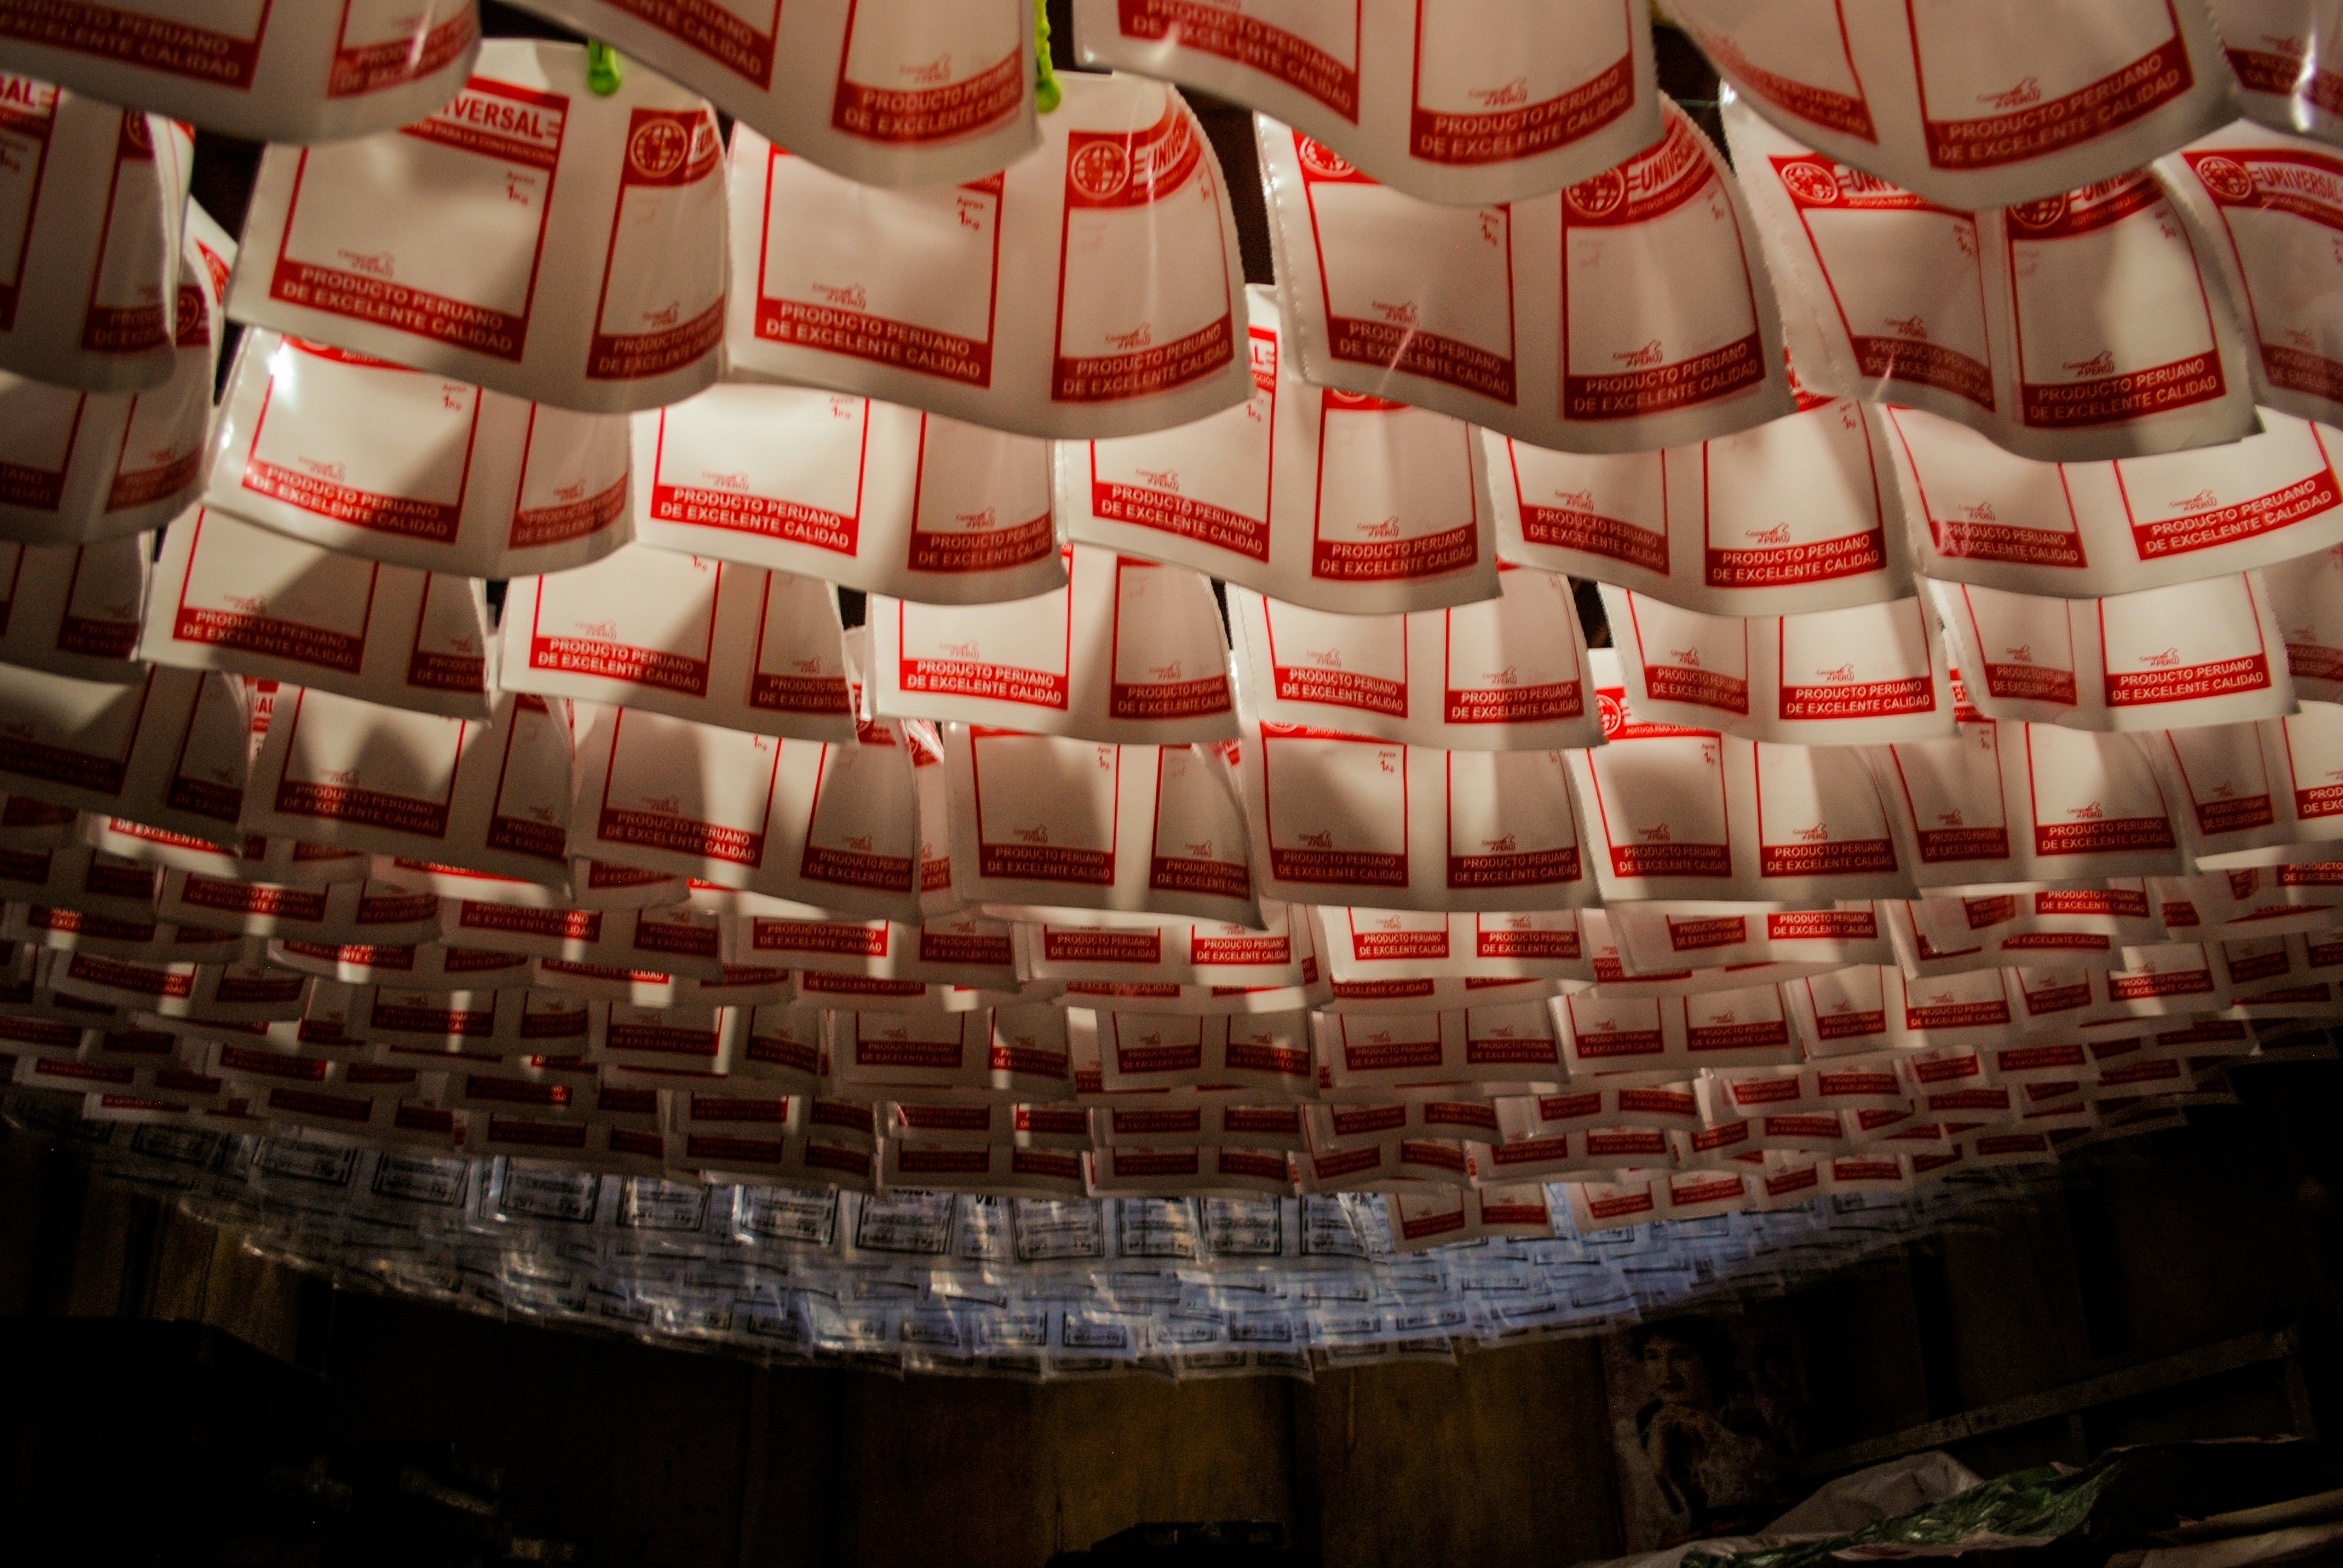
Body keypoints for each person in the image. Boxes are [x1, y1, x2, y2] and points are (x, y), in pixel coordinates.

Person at [1615, 1316, 1798, 1546]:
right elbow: (1656, 1532)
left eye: (1681, 1356)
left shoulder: (1752, 1406)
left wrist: (1716, 1438)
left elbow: (1784, 1489)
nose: (1666, 1372)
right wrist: (1659, 1473)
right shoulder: (1640, 1429)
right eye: (1652, 1357)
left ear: (1709, 1363)